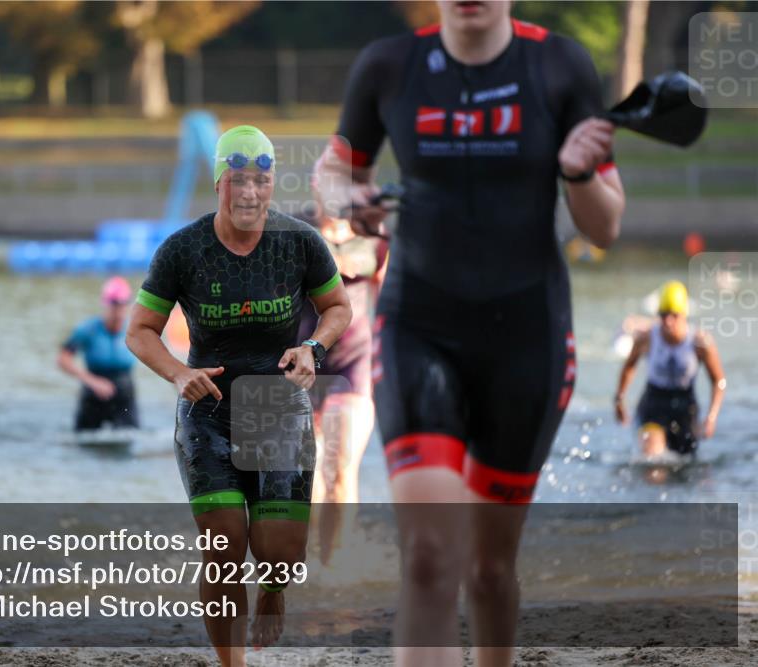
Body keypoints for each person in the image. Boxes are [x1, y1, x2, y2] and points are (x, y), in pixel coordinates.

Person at [312, 2, 626, 666]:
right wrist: (346, 199)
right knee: (429, 556)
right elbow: (335, 167)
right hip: (417, 327)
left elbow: (605, 225)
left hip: (528, 339)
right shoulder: (389, 66)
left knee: (487, 569)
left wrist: (575, 173)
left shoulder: (559, 64)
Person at [126, 125, 352, 665]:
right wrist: (179, 374)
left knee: (279, 555)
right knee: (223, 549)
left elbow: (338, 308)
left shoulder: (298, 241)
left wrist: (313, 350)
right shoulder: (184, 250)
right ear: (219, 183)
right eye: (237, 180)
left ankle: (273, 592)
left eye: (261, 180)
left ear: (272, 184)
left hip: (279, 412)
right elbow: (139, 330)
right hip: (209, 412)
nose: (249, 192)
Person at [295, 206, 387, 566]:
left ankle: (335, 568)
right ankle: (313, 559)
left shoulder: (372, 231)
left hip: (354, 363)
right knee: (305, 474)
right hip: (301, 361)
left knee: (339, 467)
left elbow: (389, 299)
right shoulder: (295, 229)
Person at [615, 280, 726, 458]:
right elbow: (629, 366)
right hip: (654, 401)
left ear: (684, 314)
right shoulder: (647, 337)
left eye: (674, 315)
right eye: (663, 315)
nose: (668, 321)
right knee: (652, 457)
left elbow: (718, 380)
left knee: (684, 464)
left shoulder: (700, 342)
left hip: (685, 404)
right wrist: (619, 399)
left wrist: (711, 416)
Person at [58, 276, 139, 431]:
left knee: (131, 438)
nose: (118, 310)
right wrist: (92, 381)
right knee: (85, 440)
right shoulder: (88, 329)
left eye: (122, 304)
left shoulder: (134, 330)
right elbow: (63, 359)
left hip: (124, 392)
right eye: (114, 304)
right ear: (105, 304)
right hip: (93, 391)